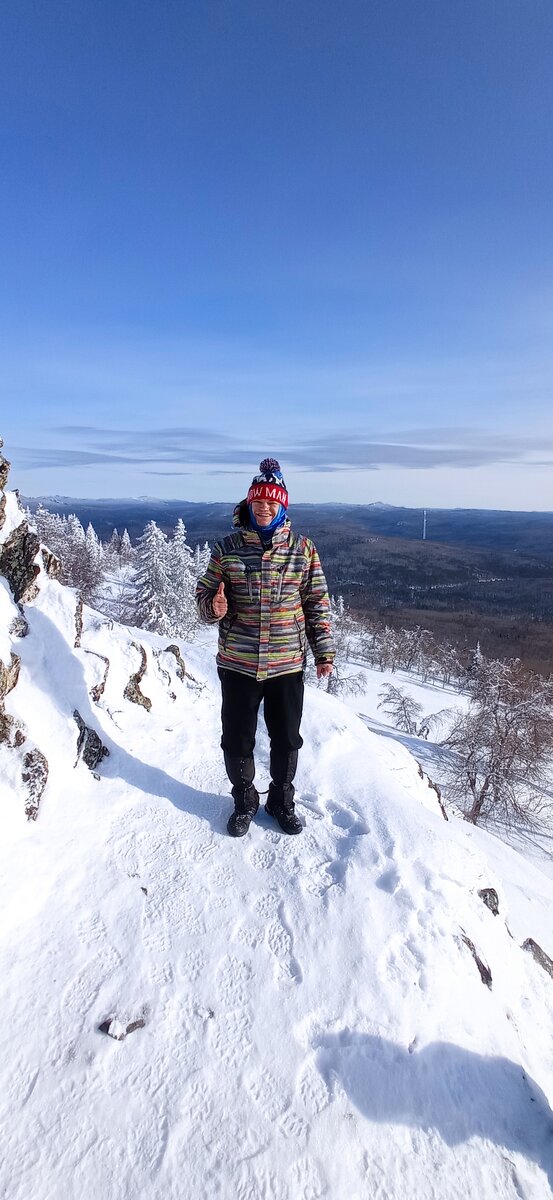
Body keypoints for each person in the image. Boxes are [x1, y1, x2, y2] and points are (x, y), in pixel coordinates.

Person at [196, 458, 335, 837]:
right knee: (236, 737)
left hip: (287, 663)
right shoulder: (227, 548)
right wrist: (214, 606)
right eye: (258, 503)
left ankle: (279, 800)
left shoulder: (303, 550)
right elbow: (204, 595)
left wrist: (323, 652)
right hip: (238, 663)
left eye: (272, 504)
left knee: (287, 738)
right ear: (249, 504)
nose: (264, 509)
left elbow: (317, 602)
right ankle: (245, 800)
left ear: (282, 507)